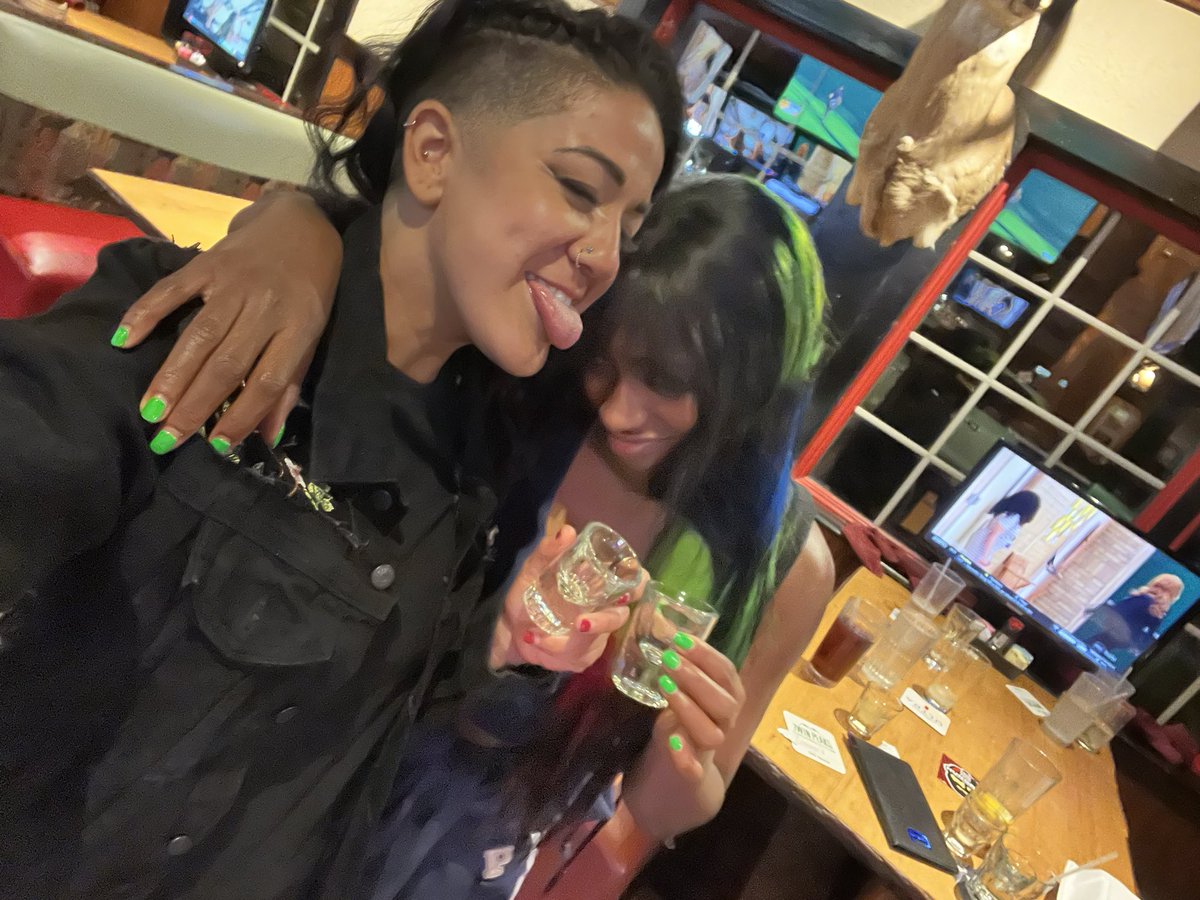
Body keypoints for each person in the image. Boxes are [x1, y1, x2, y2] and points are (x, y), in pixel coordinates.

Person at [0, 1, 682, 895]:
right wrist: (297, 224)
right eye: (580, 189)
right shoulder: (213, 330)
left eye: (629, 229)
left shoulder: (480, 445)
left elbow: (402, 714)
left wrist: (510, 645)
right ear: (432, 152)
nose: (604, 255)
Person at [117, 174, 835, 898]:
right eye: (605, 365)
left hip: (472, 848)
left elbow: (658, 811)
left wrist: (687, 757)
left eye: (666, 381)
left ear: (752, 387)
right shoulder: (536, 398)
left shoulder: (780, 564)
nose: (619, 412)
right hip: (340, 751)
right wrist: (297, 224)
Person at [1074, 573, 1186, 667]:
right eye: (1157, 586)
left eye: (1161, 588)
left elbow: (1120, 611)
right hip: (1118, 637)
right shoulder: (1155, 608)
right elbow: (1147, 632)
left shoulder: (1146, 601)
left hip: (1116, 634)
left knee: (1084, 649)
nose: (1157, 590)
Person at [961, 489, 1041, 568]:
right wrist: (985, 557)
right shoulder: (1013, 518)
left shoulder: (1010, 516)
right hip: (981, 547)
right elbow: (993, 535)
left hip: (981, 545)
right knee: (967, 567)